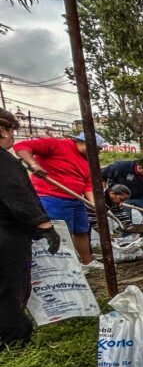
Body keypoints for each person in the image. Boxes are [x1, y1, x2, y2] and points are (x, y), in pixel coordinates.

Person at [0, 108, 61, 347]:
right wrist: (44, 226)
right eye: (12, 131)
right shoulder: (3, 160)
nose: (13, 137)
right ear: (2, 130)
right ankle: (14, 340)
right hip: (6, 235)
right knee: (9, 286)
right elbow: (16, 194)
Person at [14, 130, 104, 268]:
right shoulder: (56, 144)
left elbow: (88, 184)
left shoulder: (88, 161)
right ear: (85, 143)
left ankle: (87, 262)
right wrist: (33, 164)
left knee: (81, 231)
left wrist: (92, 202)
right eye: (96, 149)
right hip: (52, 198)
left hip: (76, 199)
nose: (97, 153)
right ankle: (64, 267)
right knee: (60, 233)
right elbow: (21, 146)